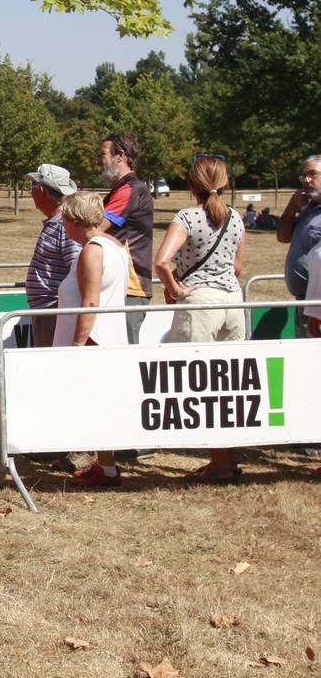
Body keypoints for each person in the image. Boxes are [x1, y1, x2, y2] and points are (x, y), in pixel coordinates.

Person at [154, 155, 248, 483]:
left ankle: (219, 462)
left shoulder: (187, 217)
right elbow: (237, 267)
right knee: (230, 385)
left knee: (199, 383)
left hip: (202, 303)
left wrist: (177, 290)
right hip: (233, 302)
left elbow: (162, 262)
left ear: (191, 183)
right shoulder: (236, 218)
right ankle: (225, 460)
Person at [53, 191, 129, 488]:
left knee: (94, 406)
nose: (62, 227)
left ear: (74, 220)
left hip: (94, 339)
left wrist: (76, 345)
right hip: (107, 336)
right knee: (101, 404)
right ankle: (106, 465)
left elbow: (90, 302)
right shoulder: (115, 246)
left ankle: (106, 467)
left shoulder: (93, 250)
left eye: (64, 221)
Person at [97, 133, 153, 342]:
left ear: (120, 156)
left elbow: (96, 228)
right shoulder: (121, 190)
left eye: (102, 154)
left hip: (130, 289)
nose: (97, 160)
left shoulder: (129, 190)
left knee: (125, 357)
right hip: (120, 287)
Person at [24, 164, 82, 347]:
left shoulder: (64, 226)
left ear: (41, 190)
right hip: (49, 312)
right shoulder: (57, 223)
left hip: (54, 313)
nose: (30, 191)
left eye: (32, 186)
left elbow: (77, 271)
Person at [278, 154, 321, 336]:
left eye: (313, 174)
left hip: (317, 305)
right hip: (303, 302)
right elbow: (282, 236)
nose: (306, 180)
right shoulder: (308, 209)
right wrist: (292, 206)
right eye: (303, 176)